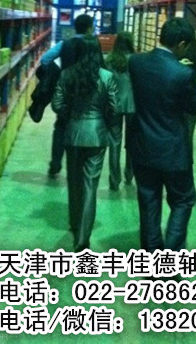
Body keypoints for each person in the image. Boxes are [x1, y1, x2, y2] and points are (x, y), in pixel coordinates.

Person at [128, 17, 196, 253]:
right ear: (181, 44)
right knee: (183, 200)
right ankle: (171, 256)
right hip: (173, 150)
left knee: (148, 201)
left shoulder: (136, 62)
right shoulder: (183, 73)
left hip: (142, 145)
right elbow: (194, 106)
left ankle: (152, 253)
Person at [52, 36, 120, 252]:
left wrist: (71, 116)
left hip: (73, 133)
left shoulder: (67, 74)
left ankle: (74, 223)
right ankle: (83, 238)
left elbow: (57, 104)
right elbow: (114, 107)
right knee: (90, 185)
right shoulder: (106, 76)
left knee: (73, 181)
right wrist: (104, 122)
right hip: (97, 136)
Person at [41, 13, 94, 177]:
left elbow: (45, 60)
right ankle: (78, 167)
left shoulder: (64, 44)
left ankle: (55, 164)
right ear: (89, 28)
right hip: (86, 93)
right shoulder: (93, 45)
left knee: (61, 127)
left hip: (66, 92)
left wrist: (57, 74)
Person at [104, 31, 136, 190]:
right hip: (133, 105)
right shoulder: (135, 61)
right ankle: (129, 173)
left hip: (114, 104)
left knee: (114, 141)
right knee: (131, 141)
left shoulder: (109, 61)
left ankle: (114, 179)